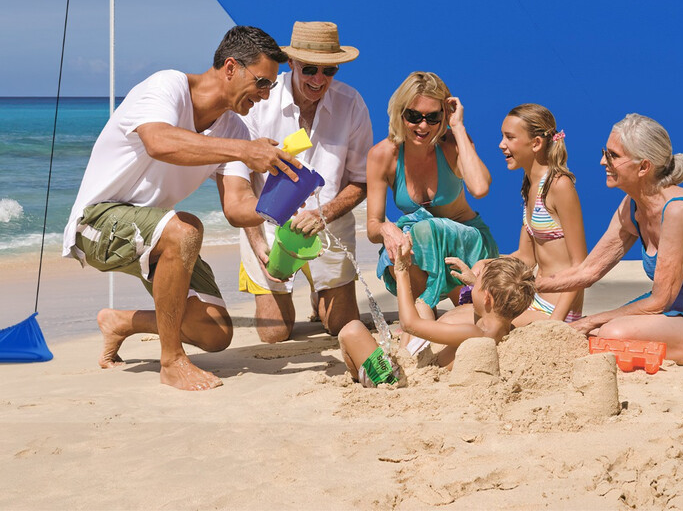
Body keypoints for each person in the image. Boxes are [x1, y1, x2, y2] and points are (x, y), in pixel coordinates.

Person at [62, 26, 301, 391]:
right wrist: (245, 151)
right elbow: (159, 142)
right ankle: (171, 361)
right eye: (262, 82)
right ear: (231, 67)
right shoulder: (168, 86)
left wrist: (283, 206)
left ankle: (121, 321)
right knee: (185, 229)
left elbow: (237, 208)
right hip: (96, 223)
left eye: (270, 86)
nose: (266, 96)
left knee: (215, 333)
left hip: (155, 231)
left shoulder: (235, 129)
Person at [535, 113, 683, 365]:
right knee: (598, 333)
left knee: (609, 333)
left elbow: (661, 300)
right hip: (673, 313)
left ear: (643, 167)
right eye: (605, 152)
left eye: (612, 156)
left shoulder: (678, 209)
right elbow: (588, 270)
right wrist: (531, 285)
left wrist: (592, 320)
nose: (602, 161)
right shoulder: (631, 206)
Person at [239, 21, 372, 341]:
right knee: (275, 335)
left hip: (329, 226)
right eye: (310, 68)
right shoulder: (259, 101)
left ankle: (323, 295)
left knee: (339, 326)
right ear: (292, 63)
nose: (319, 79)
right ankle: (310, 292)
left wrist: (323, 214)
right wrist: (256, 240)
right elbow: (237, 179)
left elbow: (361, 181)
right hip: (268, 227)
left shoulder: (351, 103)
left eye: (329, 71)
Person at [367, 71, 499, 323]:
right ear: (400, 113)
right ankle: (423, 317)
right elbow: (372, 227)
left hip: (468, 244)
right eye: (414, 116)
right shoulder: (383, 155)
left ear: (444, 116)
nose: (423, 126)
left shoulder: (451, 144)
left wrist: (458, 127)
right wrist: (386, 228)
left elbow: (480, 188)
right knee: (399, 242)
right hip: (424, 245)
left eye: (433, 117)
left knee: (480, 319)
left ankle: (424, 314)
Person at [338, 235, 536, 384]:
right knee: (422, 306)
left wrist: (401, 272)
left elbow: (409, 324)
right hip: (422, 360)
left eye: (477, 285)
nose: (472, 285)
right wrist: (477, 282)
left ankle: (371, 379)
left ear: (487, 298)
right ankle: (373, 368)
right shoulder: (503, 327)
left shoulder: (475, 332)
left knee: (351, 331)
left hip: (396, 381)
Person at [498, 104, 587, 325]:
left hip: (556, 311)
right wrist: (484, 265)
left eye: (510, 137)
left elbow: (580, 266)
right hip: (535, 301)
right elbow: (526, 257)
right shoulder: (530, 186)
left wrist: (555, 324)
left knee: (478, 325)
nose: (501, 145)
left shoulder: (559, 185)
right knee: (459, 316)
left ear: (536, 143)